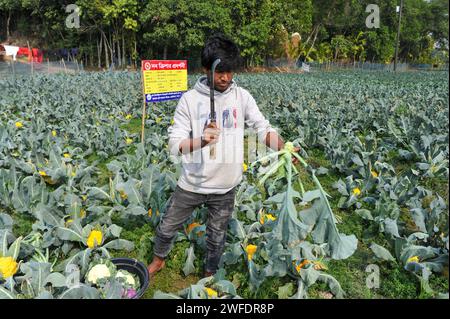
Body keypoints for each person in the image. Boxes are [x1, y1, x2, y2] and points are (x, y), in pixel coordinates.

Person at [147, 33, 299, 277]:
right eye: (220, 72)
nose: (225, 78)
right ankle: (158, 260)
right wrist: (201, 141)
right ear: (206, 69)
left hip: (226, 186)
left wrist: (282, 146)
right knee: (167, 226)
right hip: (192, 183)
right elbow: (175, 145)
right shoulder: (189, 100)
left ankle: (209, 272)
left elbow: (263, 129)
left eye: (230, 72)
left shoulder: (242, 97)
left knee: (217, 236)